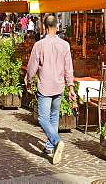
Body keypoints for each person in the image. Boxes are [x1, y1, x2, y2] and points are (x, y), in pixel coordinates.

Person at [26, 14, 73, 165]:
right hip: (59, 85)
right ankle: (49, 147)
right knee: (53, 117)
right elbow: (69, 68)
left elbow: (32, 66)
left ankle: (56, 140)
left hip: (45, 85)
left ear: (44, 27)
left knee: (43, 118)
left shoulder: (39, 45)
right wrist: (71, 86)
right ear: (58, 26)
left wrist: (29, 81)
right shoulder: (64, 45)